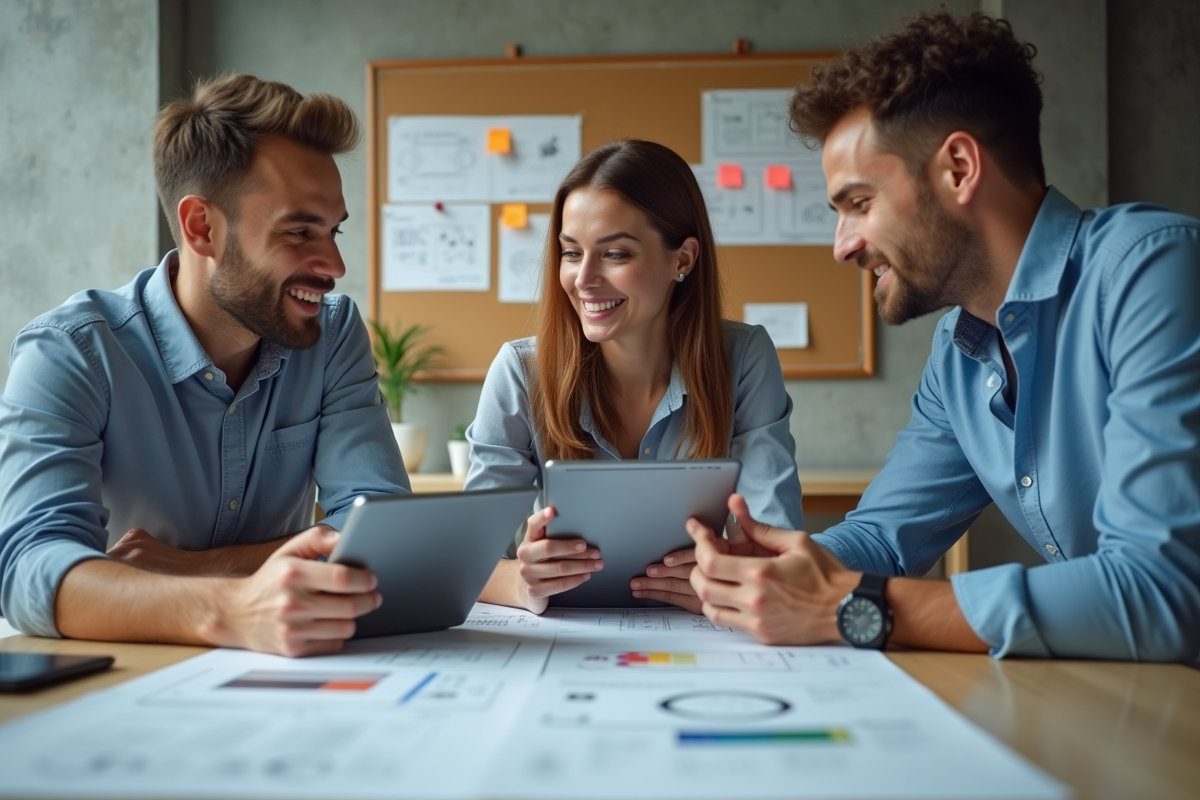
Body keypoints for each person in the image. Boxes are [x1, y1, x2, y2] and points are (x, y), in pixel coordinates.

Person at [684, 10, 1200, 662]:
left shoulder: (1153, 272)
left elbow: (1162, 591)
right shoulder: (960, 350)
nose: (842, 247)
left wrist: (852, 606)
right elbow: (886, 536)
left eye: (859, 204)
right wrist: (777, 569)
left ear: (958, 168)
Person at [0, 75, 409, 657]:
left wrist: (199, 567)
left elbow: (384, 533)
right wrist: (232, 608)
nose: (335, 264)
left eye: (333, 230)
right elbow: (31, 569)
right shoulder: (70, 352)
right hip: (127, 680)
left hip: (295, 677)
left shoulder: (332, 334)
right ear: (202, 227)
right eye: (300, 231)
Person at [467, 140, 804, 614]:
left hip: (703, 638)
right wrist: (524, 585)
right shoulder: (521, 372)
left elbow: (774, 543)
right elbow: (468, 560)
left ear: (683, 260)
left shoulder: (744, 359)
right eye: (570, 253)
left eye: (616, 254)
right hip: (564, 646)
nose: (583, 278)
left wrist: (721, 585)